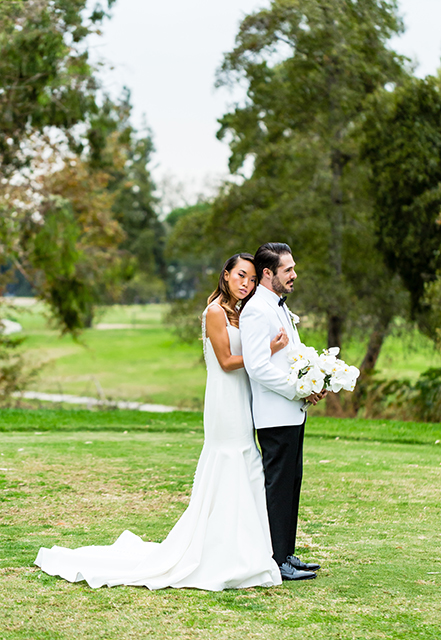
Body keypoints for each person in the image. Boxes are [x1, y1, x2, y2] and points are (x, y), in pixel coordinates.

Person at [35, 253, 288, 591]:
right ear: (225, 275)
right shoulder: (214, 312)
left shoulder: (241, 313)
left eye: (253, 279)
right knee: (230, 460)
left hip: (242, 397)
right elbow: (227, 362)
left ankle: (246, 548)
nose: (247, 283)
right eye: (241, 275)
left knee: (247, 464)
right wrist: (267, 351)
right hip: (224, 400)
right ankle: (222, 551)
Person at [240, 242, 324, 581]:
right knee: (277, 487)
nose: (294, 275)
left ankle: (286, 553)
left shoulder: (277, 306)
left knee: (292, 483)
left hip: (292, 412)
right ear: (268, 273)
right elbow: (257, 366)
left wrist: (316, 375)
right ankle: (275, 561)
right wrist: (297, 388)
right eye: (287, 269)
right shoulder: (256, 310)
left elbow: (292, 354)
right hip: (275, 414)